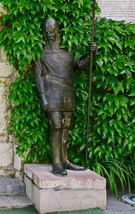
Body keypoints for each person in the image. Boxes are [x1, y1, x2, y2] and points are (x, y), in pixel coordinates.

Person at [34, 17, 97, 176]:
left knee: (66, 125)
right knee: (56, 125)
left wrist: (91, 53)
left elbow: (80, 65)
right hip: (51, 93)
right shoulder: (40, 54)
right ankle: (56, 163)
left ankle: (65, 159)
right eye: (47, 31)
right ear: (43, 33)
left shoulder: (68, 52)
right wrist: (43, 98)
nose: (50, 34)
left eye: (53, 31)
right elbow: (38, 77)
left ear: (58, 31)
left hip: (68, 93)